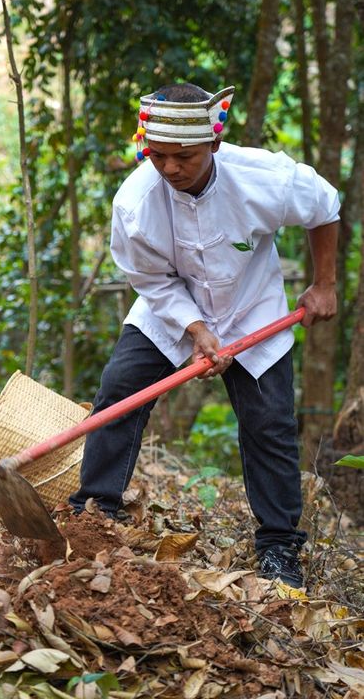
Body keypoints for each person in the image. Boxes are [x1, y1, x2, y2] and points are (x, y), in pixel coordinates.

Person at [69, 82, 340, 588]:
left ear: (213, 145)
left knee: (269, 424)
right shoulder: (135, 203)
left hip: (252, 309)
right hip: (171, 309)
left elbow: (325, 206)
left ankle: (279, 546)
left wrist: (324, 284)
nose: (170, 169)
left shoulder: (265, 178)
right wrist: (194, 328)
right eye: (158, 156)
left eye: (184, 157)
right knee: (119, 391)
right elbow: (150, 280)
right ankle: (95, 514)